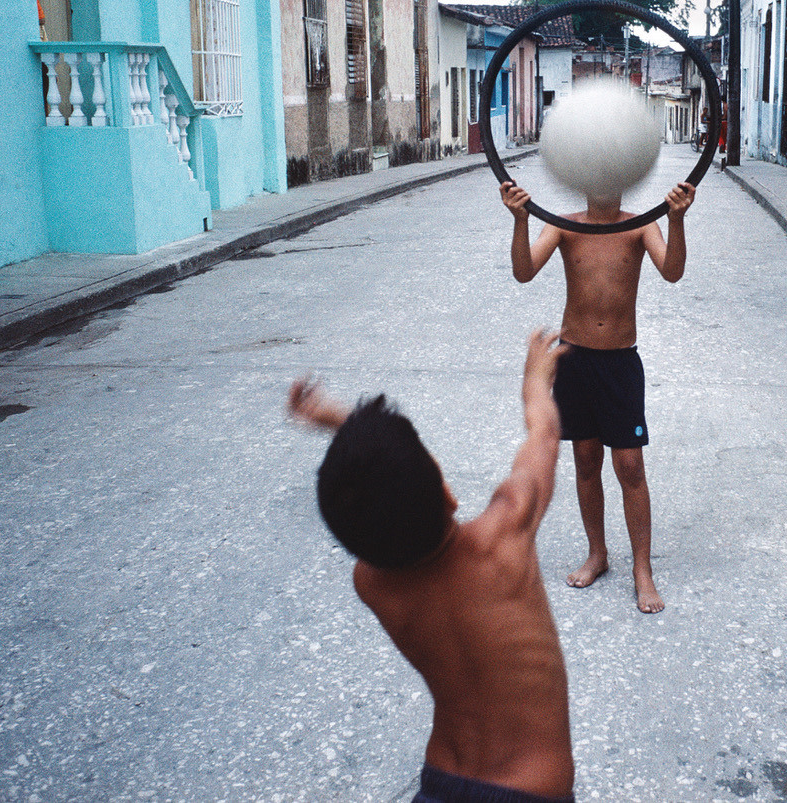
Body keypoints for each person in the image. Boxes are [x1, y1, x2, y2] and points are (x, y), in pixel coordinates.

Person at [287, 329, 575, 803]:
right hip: (533, 790)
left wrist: (340, 423)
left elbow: (384, 485)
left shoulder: (372, 584)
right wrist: (533, 382)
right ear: (446, 490)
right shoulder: (504, 538)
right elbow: (543, 433)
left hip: (441, 783)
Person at [501, 180, 696, 614]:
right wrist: (519, 221)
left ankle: (642, 569)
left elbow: (673, 271)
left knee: (630, 466)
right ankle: (598, 554)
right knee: (586, 462)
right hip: (574, 361)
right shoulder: (565, 227)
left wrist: (678, 219)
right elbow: (523, 270)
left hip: (620, 365)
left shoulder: (640, 227)